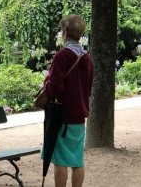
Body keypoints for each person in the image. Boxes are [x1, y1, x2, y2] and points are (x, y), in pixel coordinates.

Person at [43, 14, 94, 187]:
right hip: (79, 115)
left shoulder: (62, 56)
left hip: (62, 115)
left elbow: (55, 88)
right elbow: (88, 86)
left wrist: (47, 81)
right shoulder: (87, 58)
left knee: (61, 160)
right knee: (77, 160)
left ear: (64, 32)